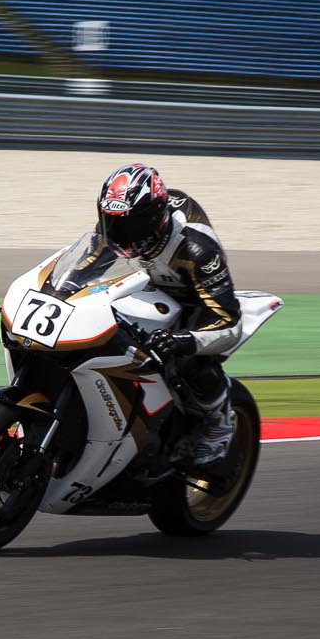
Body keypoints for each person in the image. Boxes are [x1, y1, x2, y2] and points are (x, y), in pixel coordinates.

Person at [96, 162, 242, 464]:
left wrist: (183, 341)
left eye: (129, 225)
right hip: (150, 287)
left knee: (187, 362)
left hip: (196, 301)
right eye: (112, 222)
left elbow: (230, 323)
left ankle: (219, 424)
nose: (119, 234)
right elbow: (84, 263)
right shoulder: (117, 228)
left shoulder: (197, 250)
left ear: (153, 220)